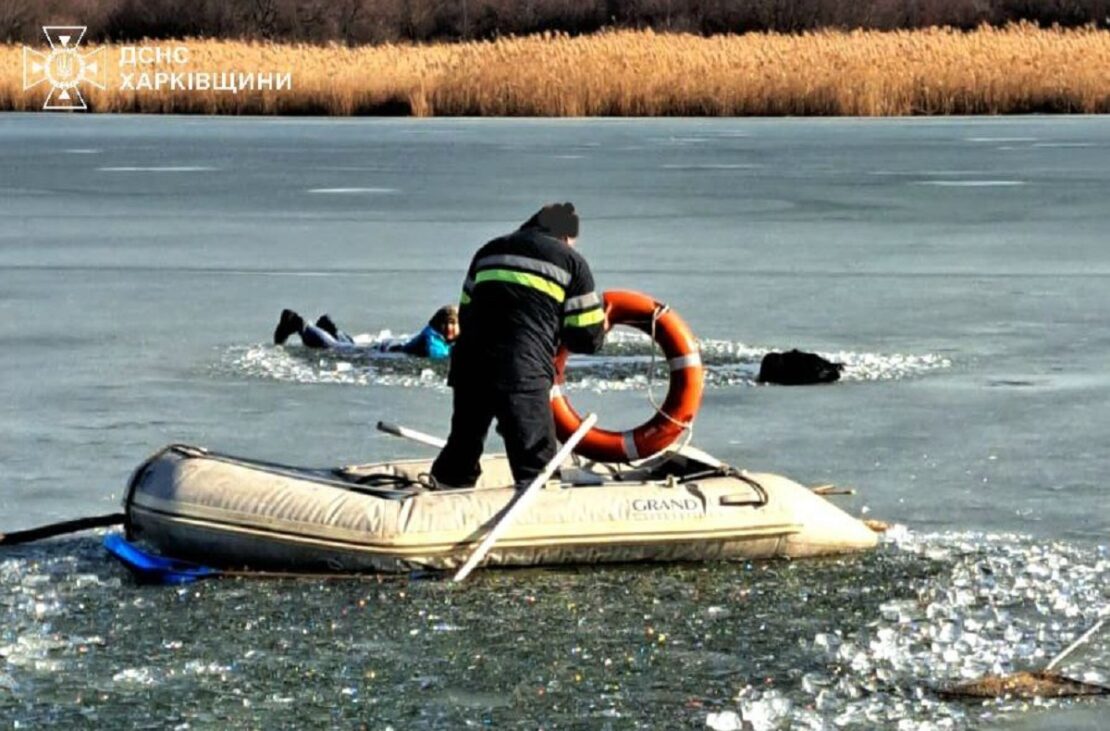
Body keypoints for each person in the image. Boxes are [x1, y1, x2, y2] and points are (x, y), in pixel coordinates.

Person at [430, 202, 606, 489]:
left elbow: (465, 312)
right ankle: (543, 515)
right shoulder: (571, 262)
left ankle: (442, 496)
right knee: (535, 464)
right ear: (565, 237)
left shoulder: (487, 251)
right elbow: (587, 337)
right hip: (522, 369)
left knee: (463, 446)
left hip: (469, 366)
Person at [273, 305, 459, 360]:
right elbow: (438, 355)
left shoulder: (444, 336)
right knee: (335, 349)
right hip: (386, 352)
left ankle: (329, 329)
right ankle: (298, 323)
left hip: (389, 348)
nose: (451, 328)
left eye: (454, 324)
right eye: (448, 323)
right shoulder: (432, 336)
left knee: (349, 346)